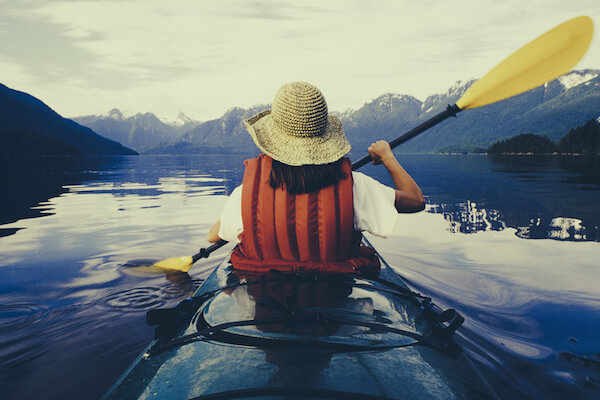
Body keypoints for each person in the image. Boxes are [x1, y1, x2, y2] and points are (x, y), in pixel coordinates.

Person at [207, 82, 424, 274]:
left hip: (266, 306)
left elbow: (213, 237)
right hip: (335, 304)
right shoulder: (356, 187)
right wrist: (387, 157)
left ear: (272, 142)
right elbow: (416, 201)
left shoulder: (246, 195)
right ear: (325, 139)